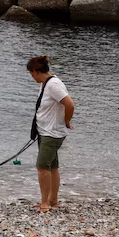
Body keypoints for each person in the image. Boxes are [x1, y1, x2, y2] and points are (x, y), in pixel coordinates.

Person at [27, 55, 74, 212]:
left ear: (35, 71)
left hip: (51, 133)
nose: (31, 77)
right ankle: (53, 200)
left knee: (42, 167)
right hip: (45, 131)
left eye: (31, 73)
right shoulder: (45, 83)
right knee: (52, 166)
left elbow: (69, 104)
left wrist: (66, 121)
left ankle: (45, 203)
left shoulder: (53, 84)